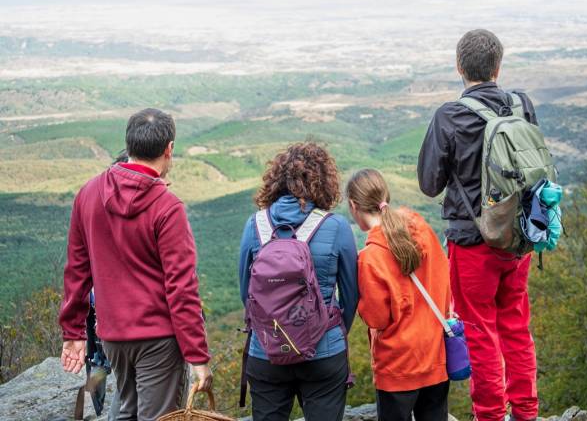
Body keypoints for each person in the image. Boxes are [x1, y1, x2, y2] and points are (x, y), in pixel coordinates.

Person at [59, 108, 213, 421]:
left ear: (129, 146)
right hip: (158, 338)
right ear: (169, 149)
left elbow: (77, 269)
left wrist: (73, 331)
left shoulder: (88, 194)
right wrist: (198, 357)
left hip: (113, 336)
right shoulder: (168, 208)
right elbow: (181, 288)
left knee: (125, 409)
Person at [417, 29, 539, 421]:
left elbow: (429, 183)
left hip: (472, 243)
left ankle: (489, 415)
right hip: (518, 239)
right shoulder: (521, 105)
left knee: (479, 331)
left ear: (459, 67)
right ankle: (526, 412)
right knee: (516, 326)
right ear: (498, 67)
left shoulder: (450, 115)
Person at [238, 142, 358, 421]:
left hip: (265, 351)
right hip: (323, 352)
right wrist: (331, 330)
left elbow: (247, 293)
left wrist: (271, 327)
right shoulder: (335, 226)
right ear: (324, 181)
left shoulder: (254, 225)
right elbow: (351, 294)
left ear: (276, 180)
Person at [346, 168, 452, 421]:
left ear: (353, 205)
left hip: (398, 366)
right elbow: (444, 279)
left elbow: (377, 318)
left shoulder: (370, 257)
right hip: (436, 353)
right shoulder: (420, 227)